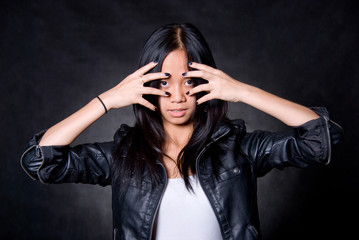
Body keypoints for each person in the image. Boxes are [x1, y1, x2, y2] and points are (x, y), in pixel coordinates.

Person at [20, 23, 342, 240]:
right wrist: (107, 100)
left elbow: (319, 138)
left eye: (188, 81)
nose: (177, 96)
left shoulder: (238, 150)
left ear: (206, 81)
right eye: (163, 82)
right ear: (146, 86)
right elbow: (41, 161)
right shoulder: (123, 155)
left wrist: (241, 91)